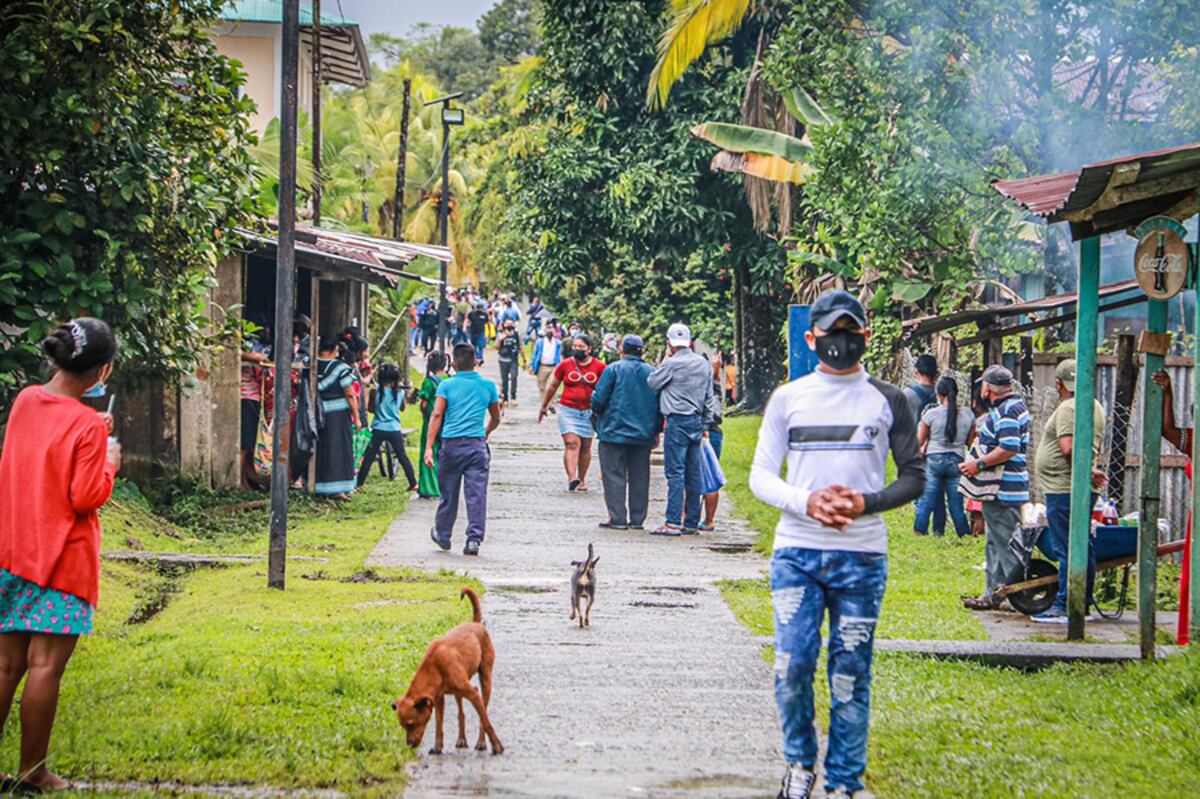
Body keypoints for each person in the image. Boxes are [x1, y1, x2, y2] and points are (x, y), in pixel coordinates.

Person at [748, 290, 924, 799]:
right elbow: (761, 475)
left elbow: (915, 475)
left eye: (852, 333)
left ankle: (845, 783)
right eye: (832, 334)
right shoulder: (788, 398)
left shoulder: (890, 400)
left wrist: (864, 503)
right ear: (812, 338)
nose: (842, 343)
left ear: (866, 336)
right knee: (792, 663)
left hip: (862, 557)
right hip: (796, 553)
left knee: (850, 672)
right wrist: (808, 502)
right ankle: (799, 764)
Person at [0, 318, 121, 792]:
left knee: (7, 666)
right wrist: (108, 460)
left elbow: (39, 450)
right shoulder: (89, 426)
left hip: (13, 552)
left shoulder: (27, 400)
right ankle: (34, 772)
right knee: (45, 666)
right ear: (103, 372)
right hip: (62, 563)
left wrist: (93, 430)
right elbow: (85, 497)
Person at [1031, 359, 1107, 623]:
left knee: (1066, 548)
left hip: (1064, 488)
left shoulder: (1068, 408)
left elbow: (1068, 448)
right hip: (1077, 485)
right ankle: (1081, 602)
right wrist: (1089, 471)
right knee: (1082, 545)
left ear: (1059, 384)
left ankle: (1064, 604)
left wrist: (1085, 471)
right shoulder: (1095, 405)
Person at [960, 365, 1031, 610]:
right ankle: (993, 593)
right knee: (995, 541)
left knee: (1006, 544)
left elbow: (1009, 447)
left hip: (1004, 489)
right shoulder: (1010, 407)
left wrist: (977, 464)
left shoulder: (1008, 411)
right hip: (1002, 489)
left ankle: (1013, 596)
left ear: (988, 388)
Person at [424, 344, 501, 556]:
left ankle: (443, 533)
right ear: (475, 362)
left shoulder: (446, 386)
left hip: (451, 446)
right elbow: (496, 417)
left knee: (448, 493)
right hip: (476, 446)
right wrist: (486, 432)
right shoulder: (488, 386)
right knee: (476, 494)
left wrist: (429, 446)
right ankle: (474, 540)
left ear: (454, 365)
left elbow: (437, 415)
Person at [647, 324, 714, 535]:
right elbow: (709, 396)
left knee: (675, 473)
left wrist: (666, 358)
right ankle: (691, 523)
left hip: (676, 422)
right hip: (696, 421)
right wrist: (706, 423)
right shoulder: (703, 364)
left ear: (669, 343)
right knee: (693, 473)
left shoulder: (671, 363)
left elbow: (652, 382)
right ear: (690, 342)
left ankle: (673, 521)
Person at [591, 335, 661, 530]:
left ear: (622, 350)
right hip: (643, 433)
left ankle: (618, 517)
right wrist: (656, 430)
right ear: (642, 351)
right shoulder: (651, 372)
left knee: (613, 474)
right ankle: (638, 519)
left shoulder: (613, 369)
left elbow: (599, 399)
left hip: (613, 431)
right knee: (640, 476)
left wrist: (596, 413)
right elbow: (658, 404)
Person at [1153, 368, 1195, 643]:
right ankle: (1189, 635)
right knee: (1191, 579)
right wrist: (1167, 392)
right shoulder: (1195, 441)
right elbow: (1167, 430)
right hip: (1197, 518)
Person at [538, 334, 606, 492]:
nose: (577, 349)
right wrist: (544, 406)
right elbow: (553, 386)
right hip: (568, 410)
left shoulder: (600, 367)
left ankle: (581, 479)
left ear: (589, 349)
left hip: (589, 412)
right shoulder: (565, 365)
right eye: (575, 347)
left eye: (581, 347)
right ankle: (572, 478)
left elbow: (605, 390)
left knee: (585, 446)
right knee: (572, 443)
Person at [913, 377, 976, 537]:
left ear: (939, 395)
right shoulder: (968, 414)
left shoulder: (931, 414)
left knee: (926, 502)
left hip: (934, 462)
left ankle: (919, 533)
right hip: (957, 462)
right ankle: (964, 535)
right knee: (956, 506)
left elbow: (919, 442)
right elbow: (970, 442)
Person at [356, 363, 418, 492]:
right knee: (402, 456)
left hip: (378, 427)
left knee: (369, 457)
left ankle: (359, 484)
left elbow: (371, 409)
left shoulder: (375, 392)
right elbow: (402, 408)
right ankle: (413, 483)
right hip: (394, 428)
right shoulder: (400, 393)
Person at [314, 336, 362, 500]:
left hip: (317, 413)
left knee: (323, 449)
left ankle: (320, 486)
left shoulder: (312, 365)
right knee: (339, 449)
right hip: (338, 416)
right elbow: (350, 394)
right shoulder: (340, 368)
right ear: (334, 350)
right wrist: (356, 417)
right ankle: (339, 489)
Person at [239, 326, 272, 491]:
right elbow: (254, 357)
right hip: (246, 397)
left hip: (252, 397)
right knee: (245, 442)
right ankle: (240, 480)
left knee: (250, 441)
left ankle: (247, 477)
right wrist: (257, 357)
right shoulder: (235, 349)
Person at [415, 353, 448, 499]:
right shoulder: (449, 380)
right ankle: (445, 488)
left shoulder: (429, 382)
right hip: (447, 423)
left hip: (431, 422)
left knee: (428, 452)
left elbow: (424, 404)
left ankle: (429, 488)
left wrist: (424, 414)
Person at [701, 353, 726, 532]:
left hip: (700, 432)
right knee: (711, 477)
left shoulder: (692, 384)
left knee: (691, 476)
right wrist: (715, 366)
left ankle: (686, 517)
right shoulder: (714, 386)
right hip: (715, 432)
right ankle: (709, 520)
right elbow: (714, 377)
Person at [531, 326, 562, 413]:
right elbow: (535, 354)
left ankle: (551, 404)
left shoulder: (558, 343)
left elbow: (560, 354)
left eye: (551, 329)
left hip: (553, 366)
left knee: (552, 385)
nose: (549, 331)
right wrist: (532, 365)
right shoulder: (540, 342)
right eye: (547, 329)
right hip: (542, 366)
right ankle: (545, 404)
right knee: (541, 387)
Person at [496, 320, 525, 406]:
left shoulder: (516, 335)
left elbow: (521, 347)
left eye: (510, 324)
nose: (509, 326)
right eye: (507, 324)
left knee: (514, 377)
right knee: (504, 380)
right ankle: (505, 398)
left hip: (513, 360)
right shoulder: (500, 334)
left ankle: (513, 397)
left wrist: (524, 360)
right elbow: (496, 347)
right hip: (503, 360)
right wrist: (500, 339)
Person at [903, 353, 939, 424]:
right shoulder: (942, 393)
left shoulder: (908, 394)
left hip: (914, 434)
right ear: (936, 372)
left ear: (916, 371)